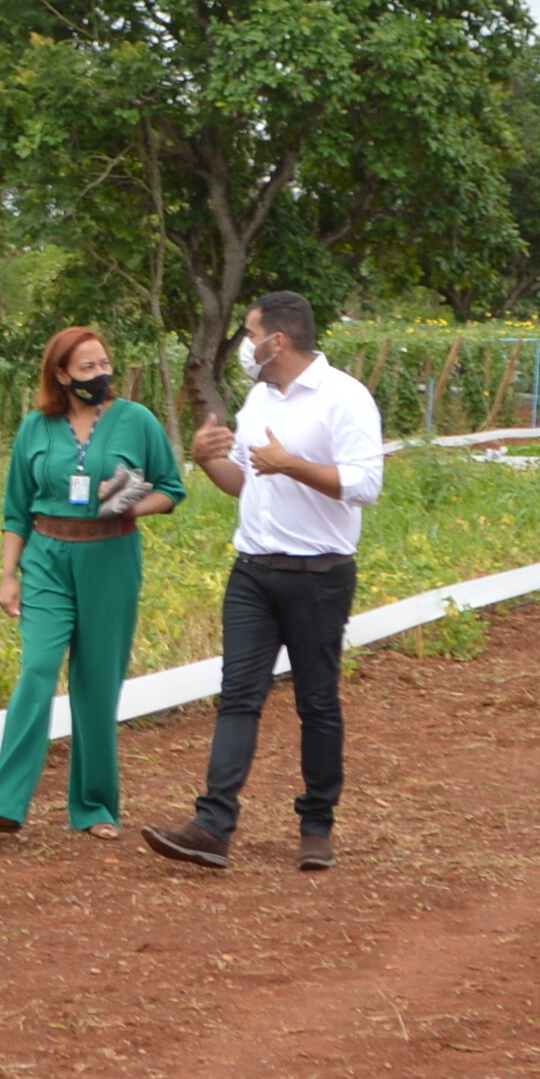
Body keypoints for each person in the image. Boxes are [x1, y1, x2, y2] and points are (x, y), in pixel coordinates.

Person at [142, 291, 389, 875]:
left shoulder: (345, 398)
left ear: (276, 341)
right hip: (253, 570)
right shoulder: (258, 399)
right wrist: (207, 461)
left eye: (251, 335)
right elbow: (245, 484)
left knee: (317, 703)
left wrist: (294, 465)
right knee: (238, 697)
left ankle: (316, 826)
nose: (247, 348)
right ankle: (212, 826)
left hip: (321, 575)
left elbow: (365, 485)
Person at [0, 324, 183, 833]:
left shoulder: (137, 420)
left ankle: (94, 807)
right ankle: (3, 803)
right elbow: (15, 509)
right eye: (87, 368)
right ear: (61, 374)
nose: (100, 375)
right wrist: (7, 574)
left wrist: (129, 503)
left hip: (111, 557)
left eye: (104, 364)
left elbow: (172, 488)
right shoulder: (35, 427)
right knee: (38, 668)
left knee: (96, 683)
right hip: (46, 557)